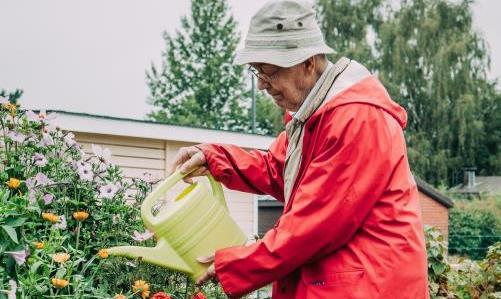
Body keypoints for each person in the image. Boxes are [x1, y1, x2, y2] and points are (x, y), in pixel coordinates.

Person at [169, 0, 429, 298]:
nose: (262, 86)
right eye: (258, 73)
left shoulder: (357, 118)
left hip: (371, 286)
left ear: (308, 62)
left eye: (270, 72)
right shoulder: (315, 116)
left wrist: (239, 263)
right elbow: (277, 169)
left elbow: (315, 225)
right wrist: (214, 158)